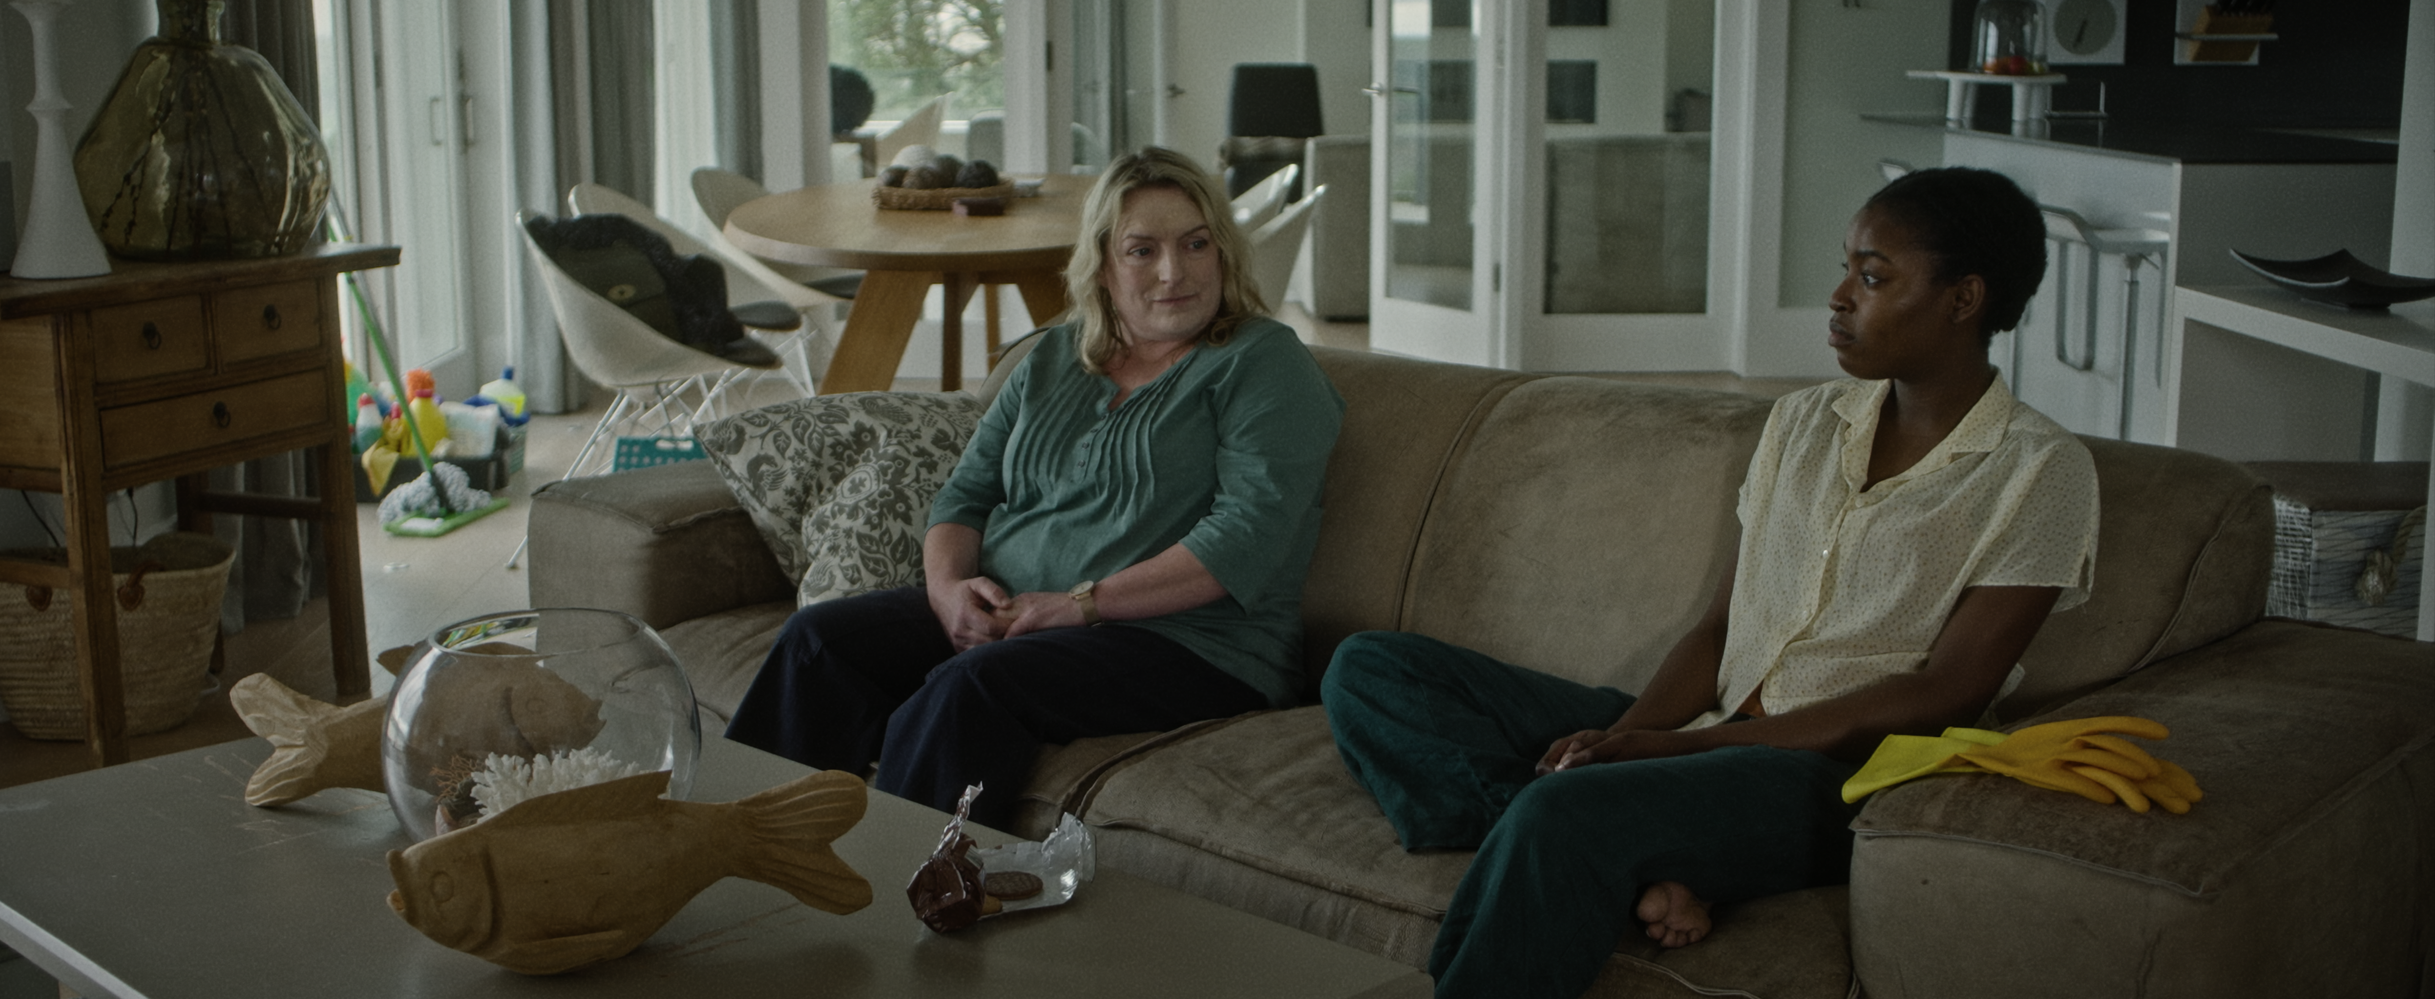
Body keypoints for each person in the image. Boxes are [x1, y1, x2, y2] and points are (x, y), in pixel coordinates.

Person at [1321, 167, 2099, 999]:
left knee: (1564, 812)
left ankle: (1572, 834)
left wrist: (1673, 753)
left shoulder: (2040, 470)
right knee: (1371, 667)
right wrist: (1619, 741)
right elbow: (1722, 627)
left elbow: (1947, 691)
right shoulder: (1803, 421)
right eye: (1845, 268)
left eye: (1872, 277)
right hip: (1714, 726)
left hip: (1839, 782)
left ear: (1963, 298)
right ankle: (1600, 845)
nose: (1838, 296)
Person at [724, 147, 1346, 829]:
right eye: (1143, 250)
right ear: (1103, 266)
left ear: (1223, 252)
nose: (1175, 271)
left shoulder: (1263, 363)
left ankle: (899, 889)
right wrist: (948, 593)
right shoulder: (1054, 355)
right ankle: (742, 855)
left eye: (1196, 244)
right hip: (1018, 614)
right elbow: (966, 493)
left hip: (1191, 644)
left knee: (969, 688)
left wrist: (1079, 605)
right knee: (818, 644)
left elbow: (1245, 537)